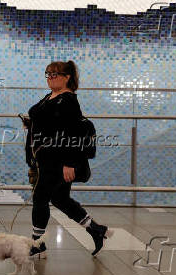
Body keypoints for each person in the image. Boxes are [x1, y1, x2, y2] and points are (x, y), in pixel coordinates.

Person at [25, 60, 113, 257]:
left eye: (54, 74)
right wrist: (33, 123)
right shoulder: (51, 96)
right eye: (47, 74)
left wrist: (70, 164)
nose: (50, 78)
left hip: (58, 159)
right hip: (47, 157)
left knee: (40, 198)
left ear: (67, 77)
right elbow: (52, 123)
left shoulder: (69, 101)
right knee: (59, 198)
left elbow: (74, 134)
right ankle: (96, 230)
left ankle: (38, 244)